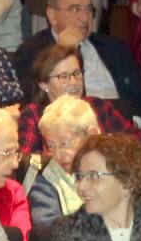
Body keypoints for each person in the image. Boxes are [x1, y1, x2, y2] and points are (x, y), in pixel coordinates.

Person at [26, 95, 102, 227]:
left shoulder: (117, 168)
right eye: (51, 146)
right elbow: (48, 229)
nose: (58, 154)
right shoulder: (46, 183)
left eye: (64, 143)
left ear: (92, 135)